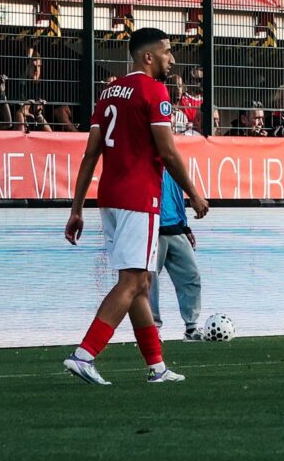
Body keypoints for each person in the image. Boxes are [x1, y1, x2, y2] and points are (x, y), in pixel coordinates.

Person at [62, 28, 209, 387]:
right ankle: (84, 355)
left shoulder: (109, 92)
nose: (171, 59)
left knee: (141, 283)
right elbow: (167, 151)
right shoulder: (154, 91)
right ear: (148, 56)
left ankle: (157, 367)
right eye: (167, 52)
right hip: (139, 198)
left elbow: (91, 154)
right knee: (131, 282)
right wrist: (193, 193)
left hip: (110, 197)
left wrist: (77, 208)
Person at [150, 106, 205, 342]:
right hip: (152, 228)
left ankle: (191, 327)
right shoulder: (150, 157)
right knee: (149, 282)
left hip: (175, 228)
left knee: (191, 276)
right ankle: (152, 330)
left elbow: (175, 195)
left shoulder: (172, 158)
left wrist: (184, 226)